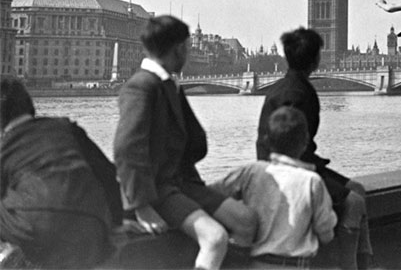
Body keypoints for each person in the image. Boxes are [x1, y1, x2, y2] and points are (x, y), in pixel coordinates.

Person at [113, 15, 257, 270]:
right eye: (188, 48)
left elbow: (192, 140)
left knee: (246, 221)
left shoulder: (168, 83)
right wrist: (141, 206)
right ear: (178, 48)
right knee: (215, 238)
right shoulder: (141, 86)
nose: (188, 54)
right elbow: (127, 150)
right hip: (158, 189)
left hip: (183, 183)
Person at [256, 27, 372, 270]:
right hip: (286, 169)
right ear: (315, 59)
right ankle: (351, 266)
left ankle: (367, 262)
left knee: (357, 189)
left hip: (296, 162)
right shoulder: (296, 93)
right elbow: (285, 146)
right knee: (354, 203)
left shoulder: (288, 86)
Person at [0, 76, 122, 269]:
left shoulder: (4, 148)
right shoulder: (66, 128)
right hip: (92, 227)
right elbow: (108, 175)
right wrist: (119, 219)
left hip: (38, 231)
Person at [214, 106, 337, 269]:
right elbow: (326, 233)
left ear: (267, 141)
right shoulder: (312, 181)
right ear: (305, 142)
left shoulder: (252, 171)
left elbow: (211, 193)